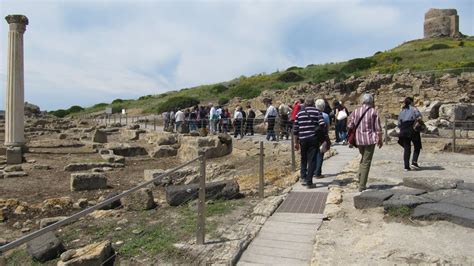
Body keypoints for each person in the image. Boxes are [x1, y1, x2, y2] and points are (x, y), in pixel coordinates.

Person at [347, 94, 383, 192]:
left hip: (359, 140)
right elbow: (378, 128)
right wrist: (380, 139)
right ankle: (362, 185)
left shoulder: (356, 111)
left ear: (362, 101)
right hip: (370, 140)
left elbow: (350, 125)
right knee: (366, 162)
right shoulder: (373, 112)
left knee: (363, 159)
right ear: (371, 102)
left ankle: (359, 177)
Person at [294, 97, 327, 187]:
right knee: (312, 160)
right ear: (313, 104)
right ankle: (309, 182)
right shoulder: (317, 112)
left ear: (305, 103)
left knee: (303, 158)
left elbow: (295, 129)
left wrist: (296, 142)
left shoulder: (299, 113)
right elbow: (322, 125)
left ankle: (303, 177)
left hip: (303, 139)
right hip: (313, 139)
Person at [397, 97, 422, 171]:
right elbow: (419, 117)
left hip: (404, 129)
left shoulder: (402, 111)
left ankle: (406, 166)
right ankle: (414, 162)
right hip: (412, 129)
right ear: (411, 102)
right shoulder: (414, 109)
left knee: (407, 148)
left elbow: (399, 123)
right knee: (417, 146)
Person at [314, 99, 331, 178]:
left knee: (313, 154)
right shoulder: (325, 115)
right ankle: (318, 172)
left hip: (313, 136)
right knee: (320, 154)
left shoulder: (313, 114)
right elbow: (327, 127)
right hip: (322, 137)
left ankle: (313, 171)